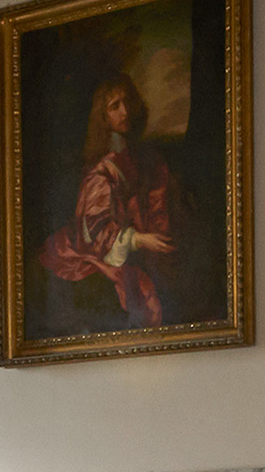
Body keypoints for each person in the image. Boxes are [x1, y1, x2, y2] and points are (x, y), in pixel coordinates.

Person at [38, 73, 180, 326]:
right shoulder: (102, 170)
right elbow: (95, 230)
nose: (125, 111)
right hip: (96, 251)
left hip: (144, 249)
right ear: (103, 116)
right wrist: (138, 239)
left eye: (127, 102)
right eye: (115, 107)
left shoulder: (142, 156)